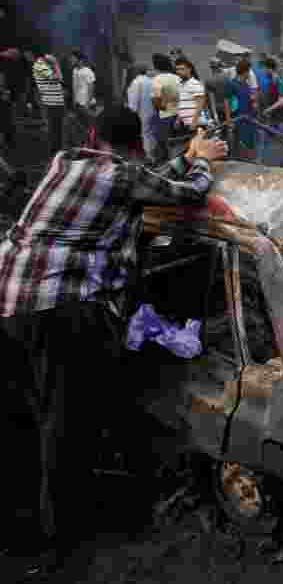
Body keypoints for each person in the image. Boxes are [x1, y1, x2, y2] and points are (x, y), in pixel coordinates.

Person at [0, 107, 226, 577]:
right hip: (61, 307)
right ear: (137, 146)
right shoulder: (121, 176)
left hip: (11, 302)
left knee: (25, 415)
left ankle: (19, 527)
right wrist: (201, 159)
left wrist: (184, 157)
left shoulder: (65, 162)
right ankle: (65, 543)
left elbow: (142, 181)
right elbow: (188, 193)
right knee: (66, 423)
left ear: (91, 135)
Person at [149, 53, 180, 164]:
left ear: (156, 66)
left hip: (163, 116)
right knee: (176, 146)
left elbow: (156, 102)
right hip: (178, 116)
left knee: (162, 146)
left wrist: (164, 106)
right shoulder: (177, 78)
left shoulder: (157, 80)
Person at [33, 52, 66, 155]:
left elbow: (59, 77)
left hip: (56, 100)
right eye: (51, 55)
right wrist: (55, 64)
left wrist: (55, 65)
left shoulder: (47, 65)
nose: (53, 57)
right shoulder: (39, 64)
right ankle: (55, 151)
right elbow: (58, 77)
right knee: (54, 128)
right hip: (50, 101)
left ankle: (58, 150)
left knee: (58, 127)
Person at [224, 58, 257, 160]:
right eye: (249, 71)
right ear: (246, 71)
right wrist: (229, 121)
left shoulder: (246, 84)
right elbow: (227, 102)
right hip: (238, 120)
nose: (249, 73)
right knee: (240, 147)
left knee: (249, 146)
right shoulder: (232, 84)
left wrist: (252, 100)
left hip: (249, 119)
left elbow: (246, 99)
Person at [258, 57, 283, 165]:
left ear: (269, 69)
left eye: (264, 69)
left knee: (280, 144)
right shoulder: (272, 81)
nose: (263, 71)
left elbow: (282, 101)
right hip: (273, 118)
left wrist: (268, 109)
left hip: (280, 119)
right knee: (270, 142)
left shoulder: (279, 82)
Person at [124, 64, 153, 148]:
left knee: (145, 134)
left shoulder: (136, 82)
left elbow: (134, 99)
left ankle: (148, 154)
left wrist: (131, 110)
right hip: (152, 111)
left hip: (141, 112)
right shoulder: (151, 80)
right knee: (150, 134)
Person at [174, 57, 204, 134]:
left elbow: (200, 104)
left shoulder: (195, 83)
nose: (179, 72)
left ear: (189, 69)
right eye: (177, 69)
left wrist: (194, 122)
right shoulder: (180, 84)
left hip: (196, 124)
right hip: (185, 124)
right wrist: (178, 119)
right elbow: (182, 104)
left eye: (182, 69)